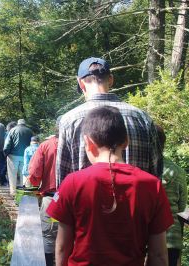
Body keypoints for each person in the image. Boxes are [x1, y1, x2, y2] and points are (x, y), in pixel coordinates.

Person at [47, 106, 173, 266]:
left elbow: (62, 247)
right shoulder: (152, 185)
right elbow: (158, 254)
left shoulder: (72, 183)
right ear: (126, 141)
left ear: (88, 142)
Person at [56, 57, 163, 188]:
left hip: (86, 205)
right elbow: (156, 172)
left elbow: (62, 179)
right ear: (111, 79)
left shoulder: (69, 120)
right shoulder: (141, 117)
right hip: (137, 205)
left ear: (81, 83)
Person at [156, 125, 188, 266]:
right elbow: (182, 209)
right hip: (171, 240)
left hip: (145, 240)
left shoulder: (140, 169)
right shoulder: (178, 171)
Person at [28, 133, 59, 266]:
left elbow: (35, 172)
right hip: (78, 200)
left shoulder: (46, 145)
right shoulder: (82, 144)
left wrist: (35, 183)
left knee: (48, 235)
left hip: (53, 198)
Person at [3, 119, 33, 195]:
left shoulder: (12, 130)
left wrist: (6, 153)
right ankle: (24, 191)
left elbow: (7, 144)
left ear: (18, 124)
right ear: (24, 124)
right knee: (24, 174)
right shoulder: (30, 131)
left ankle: (13, 192)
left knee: (12, 174)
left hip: (13, 155)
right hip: (25, 156)